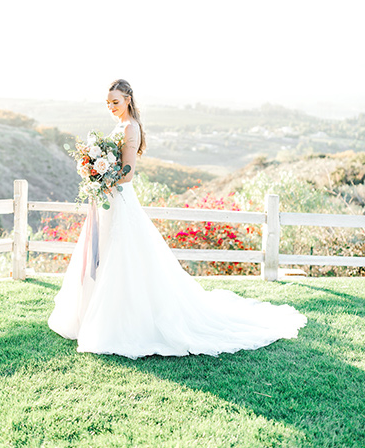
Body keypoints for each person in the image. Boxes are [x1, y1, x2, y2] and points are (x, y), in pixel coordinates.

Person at [48, 79, 307, 359]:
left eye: (116, 102)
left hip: (120, 199)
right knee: (108, 255)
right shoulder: (119, 126)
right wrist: (95, 172)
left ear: (128, 101)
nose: (111, 107)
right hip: (109, 199)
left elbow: (129, 173)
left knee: (123, 258)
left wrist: (101, 176)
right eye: (108, 103)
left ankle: (122, 322)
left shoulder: (130, 128)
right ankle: (93, 315)